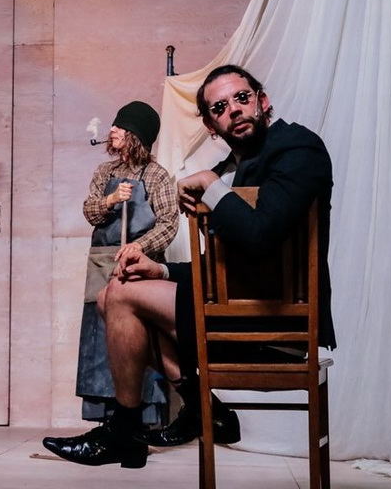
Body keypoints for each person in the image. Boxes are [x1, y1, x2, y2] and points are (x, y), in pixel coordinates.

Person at [43, 64, 335, 468]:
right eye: (219, 107)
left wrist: (211, 185)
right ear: (212, 126)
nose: (234, 109)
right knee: (119, 290)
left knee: (120, 296)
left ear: (262, 101)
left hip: (277, 322)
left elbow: (260, 236)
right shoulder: (241, 166)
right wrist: (161, 271)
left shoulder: (297, 147)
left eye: (242, 98)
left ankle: (130, 431)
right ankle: (198, 412)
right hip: (239, 310)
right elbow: (229, 268)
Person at [76, 101, 178, 425]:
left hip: (139, 266)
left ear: (136, 134)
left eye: (120, 126)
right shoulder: (104, 172)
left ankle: (141, 421)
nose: (112, 130)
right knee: (100, 340)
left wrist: (139, 246)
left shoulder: (157, 175)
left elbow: (169, 223)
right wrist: (111, 199)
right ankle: (108, 421)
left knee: (139, 338)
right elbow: (90, 211)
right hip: (102, 263)